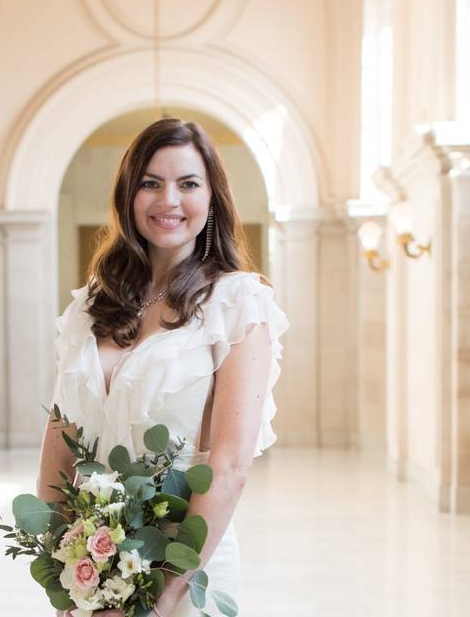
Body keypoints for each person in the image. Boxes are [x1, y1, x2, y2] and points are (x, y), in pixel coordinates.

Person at [37, 117, 289, 616]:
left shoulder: (238, 303)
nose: (168, 200)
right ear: (129, 197)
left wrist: (161, 599)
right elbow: (61, 437)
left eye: (188, 184)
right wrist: (62, 578)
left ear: (212, 198)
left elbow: (231, 464)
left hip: (186, 569)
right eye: (150, 183)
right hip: (93, 567)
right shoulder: (88, 307)